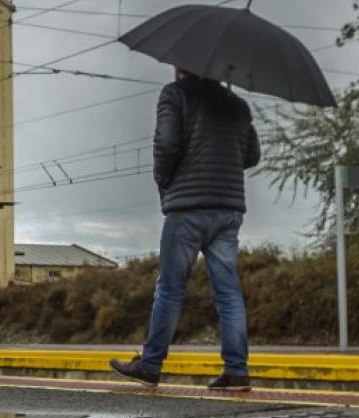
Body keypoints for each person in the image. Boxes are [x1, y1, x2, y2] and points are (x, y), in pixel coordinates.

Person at [109, 67, 260, 392]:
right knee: (229, 293)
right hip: (229, 208)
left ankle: (150, 365)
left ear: (182, 66)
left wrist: (164, 179)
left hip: (188, 209)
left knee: (170, 289)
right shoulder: (237, 105)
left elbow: (166, 143)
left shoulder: (175, 94)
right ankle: (237, 371)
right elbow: (252, 155)